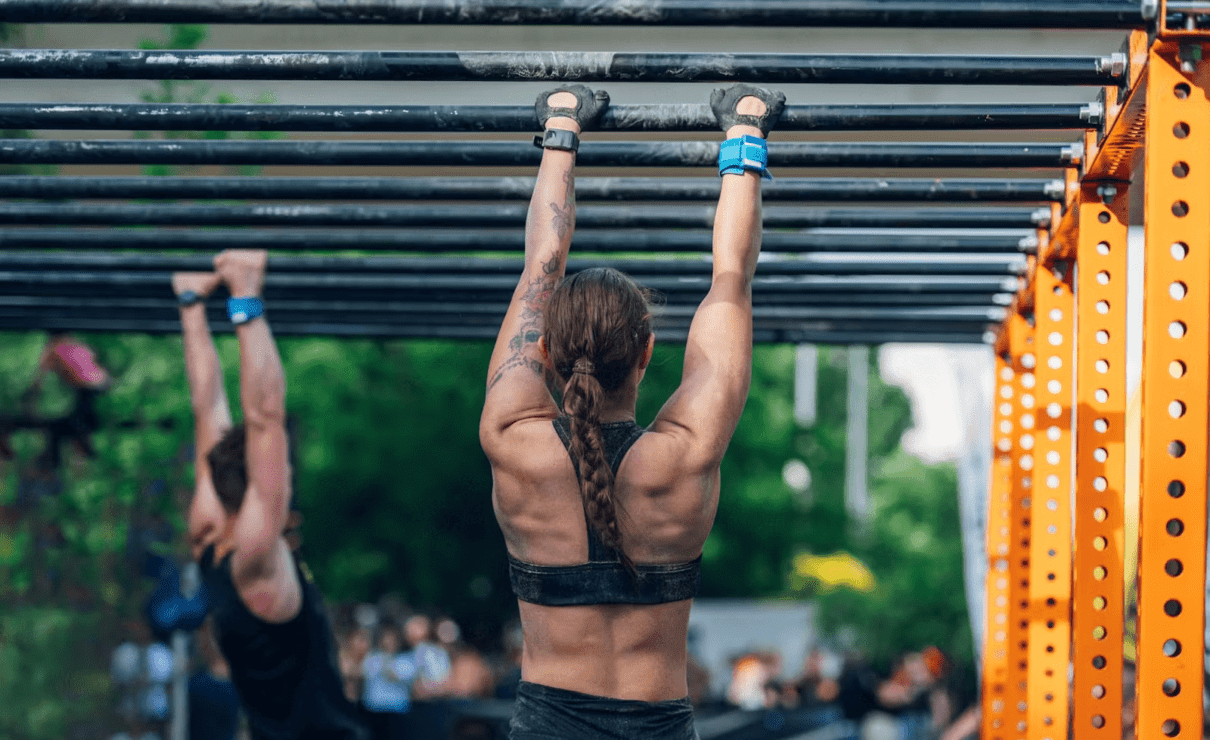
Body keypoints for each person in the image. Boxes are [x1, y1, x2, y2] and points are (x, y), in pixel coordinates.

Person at [479, 83, 784, 740]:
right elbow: (731, 276)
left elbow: (543, 263)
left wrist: (564, 124)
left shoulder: (511, 438)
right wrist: (744, 131)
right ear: (647, 350)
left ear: (548, 356)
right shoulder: (686, 452)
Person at [174, 251, 367, 740]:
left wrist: (193, 306)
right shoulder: (256, 552)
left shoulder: (210, 536)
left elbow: (207, 411)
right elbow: (264, 417)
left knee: (210, 427)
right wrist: (244, 296)